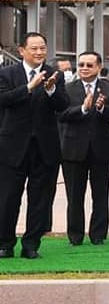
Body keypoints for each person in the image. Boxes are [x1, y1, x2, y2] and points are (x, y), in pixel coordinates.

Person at [0, 32, 69, 259]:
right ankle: (5, 243)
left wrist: (50, 90)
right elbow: (4, 100)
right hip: (12, 147)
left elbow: (63, 105)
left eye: (42, 48)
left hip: (45, 147)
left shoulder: (54, 74)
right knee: (7, 198)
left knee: (40, 199)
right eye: (34, 48)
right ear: (22, 51)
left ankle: (31, 245)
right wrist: (29, 87)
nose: (39, 52)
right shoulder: (6, 73)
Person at [58, 51, 109, 246]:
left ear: (99, 67)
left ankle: (98, 235)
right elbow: (61, 114)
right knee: (74, 196)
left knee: (100, 195)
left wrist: (102, 108)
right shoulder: (67, 88)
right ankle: (75, 236)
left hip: (100, 149)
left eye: (89, 65)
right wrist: (83, 109)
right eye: (81, 65)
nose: (84, 68)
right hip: (73, 149)